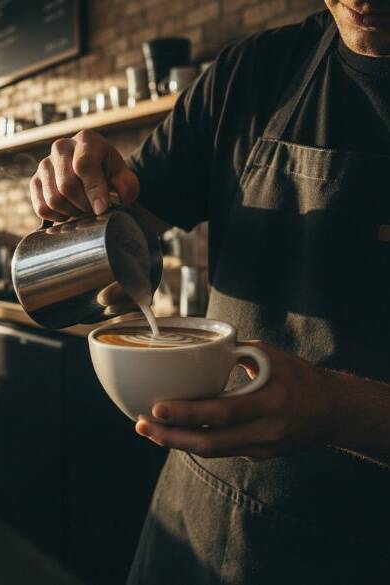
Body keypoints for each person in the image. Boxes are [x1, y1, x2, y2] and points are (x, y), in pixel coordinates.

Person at [29, 4, 390, 583]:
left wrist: (340, 409)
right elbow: (133, 223)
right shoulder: (252, 74)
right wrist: (85, 196)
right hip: (200, 519)